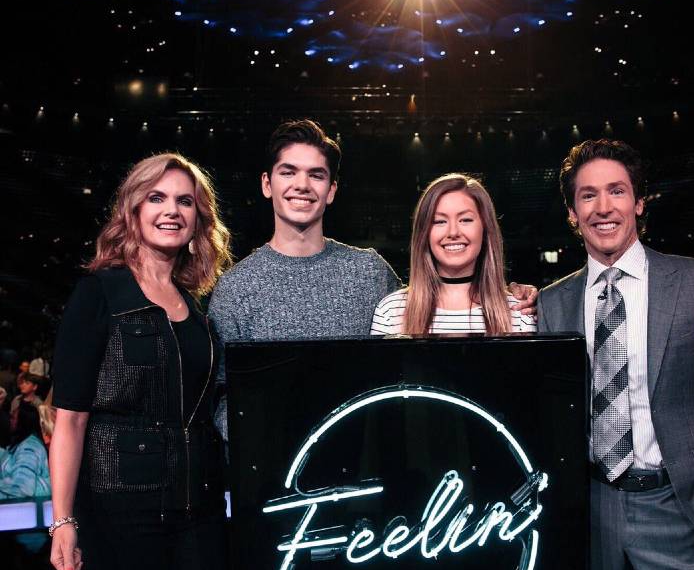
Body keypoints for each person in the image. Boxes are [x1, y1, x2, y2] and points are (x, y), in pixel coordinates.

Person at [537, 139, 694, 570]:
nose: (603, 207)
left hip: (679, 507)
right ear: (572, 213)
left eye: (616, 191)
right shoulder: (551, 302)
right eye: (587, 195)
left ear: (639, 201)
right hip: (592, 508)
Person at [208, 120, 537, 437]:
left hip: (371, 468)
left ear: (332, 189)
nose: (302, 185)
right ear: (267, 184)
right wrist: (262, 443)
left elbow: (431, 301)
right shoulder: (236, 288)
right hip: (275, 475)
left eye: (316, 175)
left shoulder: (370, 273)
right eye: (288, 172)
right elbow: (220, 398)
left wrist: (508, 291)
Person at [48, 153, 232, 570]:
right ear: (133, 210)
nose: (171, 211)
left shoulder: (197, 312)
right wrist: (62, 521)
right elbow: (69, 420)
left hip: (200, 515)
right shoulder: (99, 292)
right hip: (119, 515)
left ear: (198, 219)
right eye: (157, 198)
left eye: (184, 202)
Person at [371, 173, 535, 334]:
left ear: (485, 230)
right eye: (439, 221)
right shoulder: (390, 311)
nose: (453, 232)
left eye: (465, 220)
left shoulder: (520, 311)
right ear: (424, 234)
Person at [0, 400, 51, 499]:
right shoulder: (20, 444)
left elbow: (22, 488)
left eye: (13, 418)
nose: (9, 421)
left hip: (24, 510)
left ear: (22, 421)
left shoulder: (30, 448)